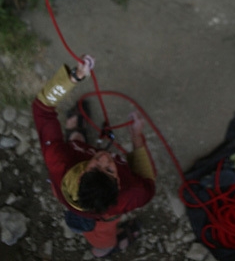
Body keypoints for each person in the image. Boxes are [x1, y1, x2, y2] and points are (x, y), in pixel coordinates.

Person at [32, 55, 155, 258]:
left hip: (64, 181)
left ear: (81, 175)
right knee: (102, 233)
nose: (106, 158)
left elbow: (42, 108)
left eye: (97, 165)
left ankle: (76, 135)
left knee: (75, 146)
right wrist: (136, 139)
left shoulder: (58, 160)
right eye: (109, 169)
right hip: (97, 211)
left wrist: (74, 77)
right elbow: (148, 185)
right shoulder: (129, 195)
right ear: (118, 184)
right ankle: (104, 249)